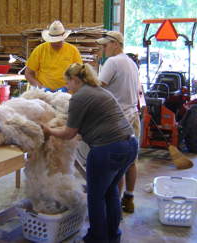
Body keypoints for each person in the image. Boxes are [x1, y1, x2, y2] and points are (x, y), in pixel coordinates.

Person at [42, 63, 138, 243]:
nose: (67, 87)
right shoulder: (100, 91)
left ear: (75, 80)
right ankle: (112, 236)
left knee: (95, 197)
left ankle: (96, 238)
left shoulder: (79, 97)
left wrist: (48, 130)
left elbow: (69, 133)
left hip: (107, 149)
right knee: (110, 192)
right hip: (130, 145)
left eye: (67, 82)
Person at [96, 31, 141, 214]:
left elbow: (98, 89)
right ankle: (128, 198)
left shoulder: (112, 62)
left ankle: (113, 205)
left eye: (105, 45)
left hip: (117, 119)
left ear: (115, 44)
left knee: (117, 164)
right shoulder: (131, 63)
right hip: (132, 115)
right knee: (130, 161)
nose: (103, 49)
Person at [25, 20, 83, 92]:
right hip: (43, 94)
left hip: (66, 95)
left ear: (64, 38)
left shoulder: (73, 51)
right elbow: (28, 74)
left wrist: (67, 87)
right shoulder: (40, 50)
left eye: (59, 41)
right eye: (53, 41)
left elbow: (80, 75)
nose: (56, 44)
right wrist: (40, 88)